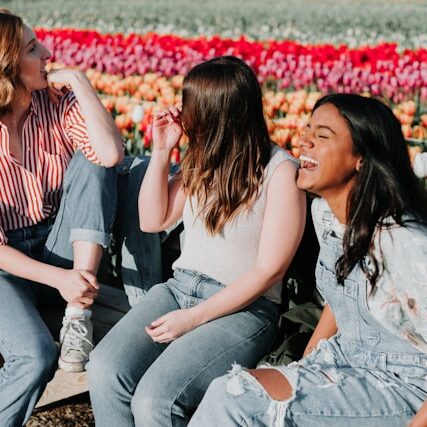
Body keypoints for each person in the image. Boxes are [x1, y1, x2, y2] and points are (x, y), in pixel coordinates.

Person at [87, 56, 306, 426]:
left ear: (218, 114)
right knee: (105, 370)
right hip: (178, 289)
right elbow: (152, 219)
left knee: (156, 399)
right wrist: (161, 151)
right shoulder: (202, 160)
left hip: (244, 308)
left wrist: (193, 319)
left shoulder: (280, 170)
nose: (183, 114)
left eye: (191, 106)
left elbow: (271, 269)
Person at [189, 93, 427, 427]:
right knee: (229, 392)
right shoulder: (326, 215)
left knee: (236, 398)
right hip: (345, 361)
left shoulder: (404, 242)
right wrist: (304, 368)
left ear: (362, 157)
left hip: (406, 386)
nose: (304, 141)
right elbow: (343, 301)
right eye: (306, 130)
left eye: (322, 135)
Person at [0, 10, 124, 426]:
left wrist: (80, 82)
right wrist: (59, 280)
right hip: (6, 267)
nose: (49, 53)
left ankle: (78, 314)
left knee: (91, 161)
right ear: (6, 66)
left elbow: (108, 155)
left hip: (59, 246)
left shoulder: (56, 102)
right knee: (34, 357)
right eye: (33, 49)